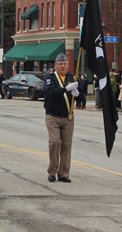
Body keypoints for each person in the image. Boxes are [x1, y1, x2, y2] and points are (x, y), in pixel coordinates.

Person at [43, 53, 84, 183]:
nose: (62, 66)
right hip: (53, 116)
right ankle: (52, 172)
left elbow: (82, 97)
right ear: (55, 66)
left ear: (68, 65)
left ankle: (63, 173)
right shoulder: (50, 78)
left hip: (68, 117)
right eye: (60, 64)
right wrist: (65, 89)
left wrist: (77, 94)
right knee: (55, 142)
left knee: (66, 145)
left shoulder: (72, 77)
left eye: (65, 64)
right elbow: (51, 94)